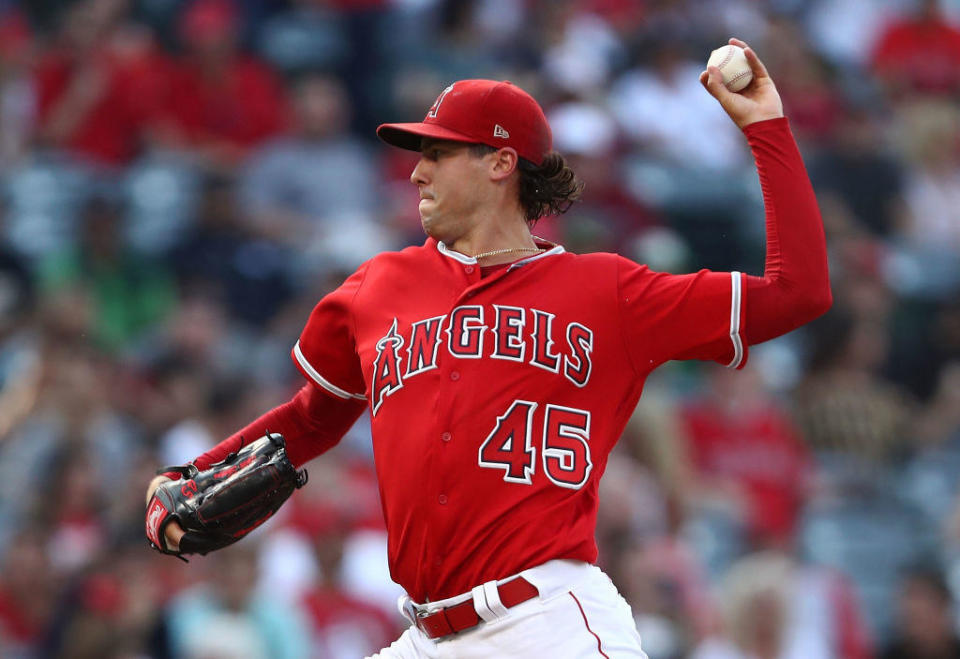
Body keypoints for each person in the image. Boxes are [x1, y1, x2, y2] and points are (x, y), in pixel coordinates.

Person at [146, 38, 831, 658]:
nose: (417, 172)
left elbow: (798, 291)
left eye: (439, 152)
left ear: (502, 162)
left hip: (549, 623)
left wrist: (765, 129)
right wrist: (193, 469)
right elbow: (312, 416)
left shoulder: (609, 292)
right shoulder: (376, 288)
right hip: (423, 633)